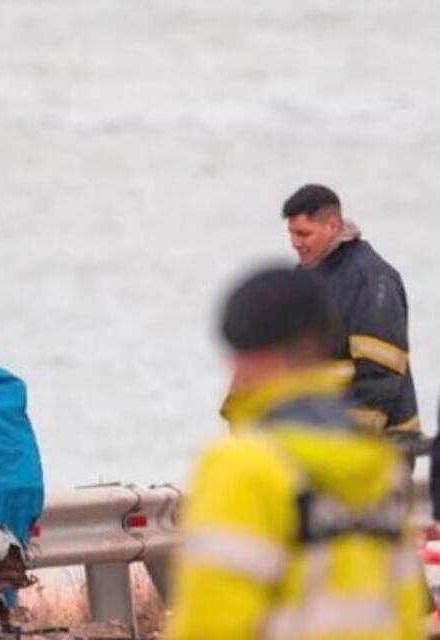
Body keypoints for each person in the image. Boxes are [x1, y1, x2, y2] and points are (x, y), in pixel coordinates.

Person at [168, 266, 423, 639]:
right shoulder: (380, 469)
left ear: (247, 356)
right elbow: (404, 612)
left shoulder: (242, 466)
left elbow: (213, 620)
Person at [282, 184, 420, 440]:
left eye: (304, 234)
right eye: (291, 233)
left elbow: (381, 371)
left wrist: (350, 441)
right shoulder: (306, 273)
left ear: (333, 226)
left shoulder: (370, 279)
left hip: (379, 445)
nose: (295, 243)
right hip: (319, 439)